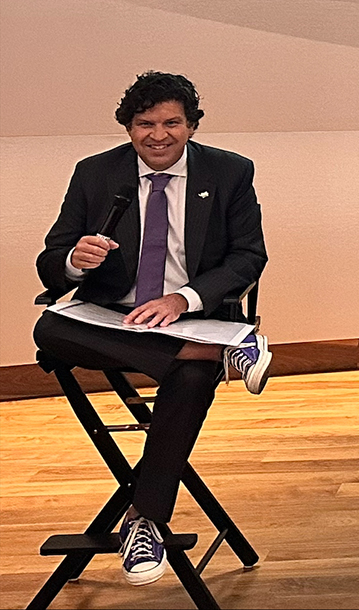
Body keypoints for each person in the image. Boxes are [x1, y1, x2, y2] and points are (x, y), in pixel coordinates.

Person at [32, 71, 271, 586]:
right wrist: (75, 261)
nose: (158, 136)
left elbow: (249, 257)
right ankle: (214, 353)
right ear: (128, 127)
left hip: (194, 314)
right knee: (48, 330)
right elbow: (51, 262)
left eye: (171, 123)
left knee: (186, 385)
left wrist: (182, 300)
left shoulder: (229, 172)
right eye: (145, 124)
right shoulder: (94, 174)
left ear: (191, 126)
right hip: (117, 319)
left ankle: (145, 519)